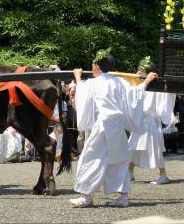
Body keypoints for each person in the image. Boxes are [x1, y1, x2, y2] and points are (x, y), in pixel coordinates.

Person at [69, 48, 154, 208]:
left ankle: (86, 196)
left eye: (93, 63)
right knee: (119, 158)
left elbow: (82, 94)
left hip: (103, 125)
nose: (92, 66)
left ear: (97, 67)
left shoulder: (94, 83)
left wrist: (77, 77)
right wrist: (146, 82)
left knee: (91, 157)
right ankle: (123, 197)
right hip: (117, 126)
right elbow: (134, 94)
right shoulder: (120, 82)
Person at [128, 57, 174, 185]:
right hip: (140, 120)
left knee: (155, 148)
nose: (138, 73)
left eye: (141, 71)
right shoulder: (139, 84)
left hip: (150, 121)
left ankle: (163, 174)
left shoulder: (155, 85)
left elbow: (160, 105)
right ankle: (129, 172)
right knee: (133, 147)